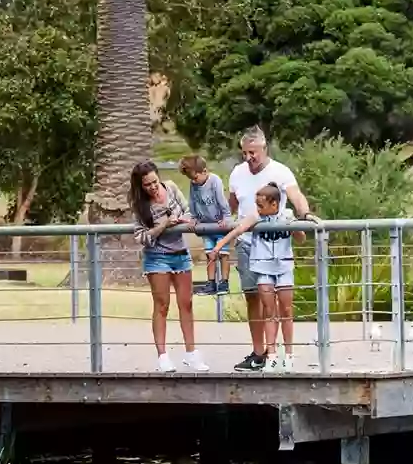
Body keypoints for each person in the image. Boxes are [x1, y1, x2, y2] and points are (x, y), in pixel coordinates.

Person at [227, 126, 320, 372]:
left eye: (253, 153)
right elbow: (232, 204)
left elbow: (296, 196)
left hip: (274, 248)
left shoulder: (280, 171)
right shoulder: (237, 173)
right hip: (248, 244)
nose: (249, 158)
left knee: (277, 302)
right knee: (253, 297)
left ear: (264, 148)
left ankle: (280, 352)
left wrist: (305, 214)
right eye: (245, 153)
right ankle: (260, 353)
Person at [128, 161, 211, 373]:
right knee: (162, 304)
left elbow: (189, 212)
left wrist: (181, 220)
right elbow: (141, 237)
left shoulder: (171, 187)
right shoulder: (139, 205)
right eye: (147, 185)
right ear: (140, 186)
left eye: (155, 182)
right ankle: (163, 356)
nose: (153, 187)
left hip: (180, 254)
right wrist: (163, 225)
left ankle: (192, 354)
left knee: (187, 303)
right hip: (157, 257)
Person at [209, 183, 301, 372]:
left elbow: (300, 238)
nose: (258, 209)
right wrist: (219, 245)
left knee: (286, 310)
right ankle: (272, 355)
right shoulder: (256, 217)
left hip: (283, 267)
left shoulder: (287, 216)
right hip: (264, 268)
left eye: (261, 205)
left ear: (274, 204)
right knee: (269, 311)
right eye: (256, 205)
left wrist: (295, 227)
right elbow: (238, 230)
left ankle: (289, 355)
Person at [178, 155, 232, 296]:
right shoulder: (194, 184)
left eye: (195, 178)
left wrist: (226, 216)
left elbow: (221, 200)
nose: (194, 181)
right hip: (206, 225)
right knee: (210, 255)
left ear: (204, 171)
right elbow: (193, 201)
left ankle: (224, 282)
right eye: (191, 179)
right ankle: (211, 282)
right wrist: (194, 218)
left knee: (223, 254)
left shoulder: (215, 181)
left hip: (219, 225)